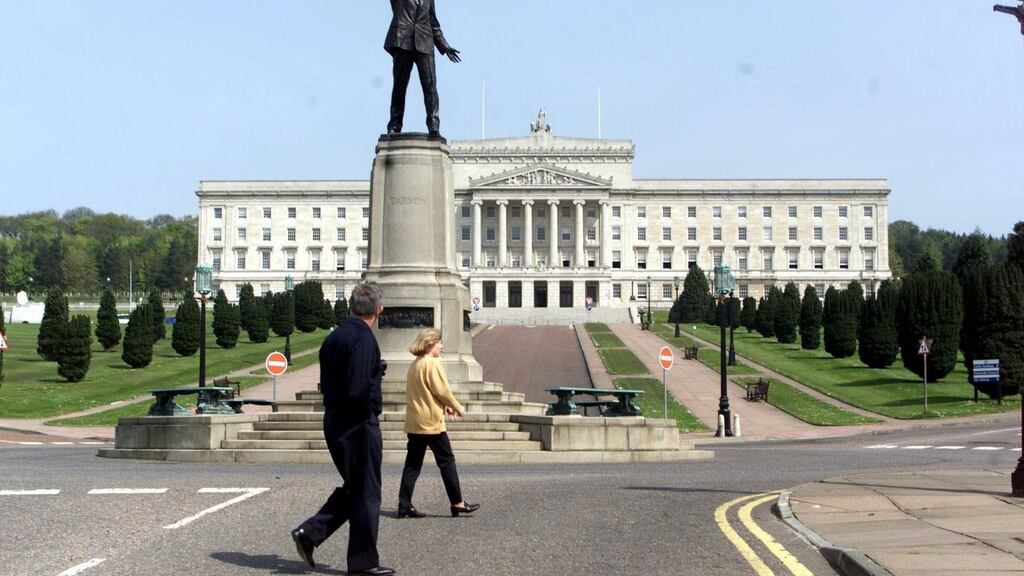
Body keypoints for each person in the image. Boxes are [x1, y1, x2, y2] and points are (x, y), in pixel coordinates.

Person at [291, 283, 394, 576]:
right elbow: (358, 387)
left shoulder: (334, 337)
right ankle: (363, 563)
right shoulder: (363, 338)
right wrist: (372, 408)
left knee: (357, 488)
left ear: (350, 306)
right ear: (379, 310)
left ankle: (310, 533)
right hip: (357, 423)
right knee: (367, 493)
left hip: (335, 419)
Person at [397, 328, 480, 519]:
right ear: (430, 345)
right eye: (439, 343)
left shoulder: (415, 364)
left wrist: (445, 407)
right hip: (431, 423)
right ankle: (457, 503)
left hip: (415, 421)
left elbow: (426, 393)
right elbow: (442, 391)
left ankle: (404, 505)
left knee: (412, 465)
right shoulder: (432, 364)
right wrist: (457, 406)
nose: (442, 347)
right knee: (447, 461)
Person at [384, 0, 461, 138]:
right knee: (399, 87)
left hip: (425, 42)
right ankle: (395, 125)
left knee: (430, 86)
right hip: (402, 41)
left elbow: (433, 23)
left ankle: (434, 126)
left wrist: (445, 47)